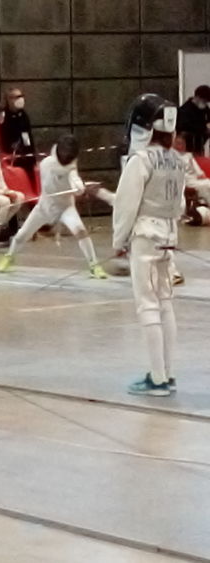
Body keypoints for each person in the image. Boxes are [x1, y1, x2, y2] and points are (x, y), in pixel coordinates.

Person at [112, 96, 184, 396]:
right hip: (168, 237)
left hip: (145, 238)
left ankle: (157, 380)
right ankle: (167, 374)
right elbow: (180, 205)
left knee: (148, 305)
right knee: (165, 303)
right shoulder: (178, 160)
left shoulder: (140, 161)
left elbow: (125, 205)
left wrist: (119, 241)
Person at [0, 135, 107, 279]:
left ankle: (94, 265)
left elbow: (74, 179)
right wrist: (75, 185)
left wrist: (80, 188)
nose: (67, 157)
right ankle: (9, 256)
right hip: (45, 207)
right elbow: (52, 182)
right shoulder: (47, 164)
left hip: (65, 208)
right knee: (22, 235)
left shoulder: (71, 166)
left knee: (81, 231)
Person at [0, 88, 37, 188]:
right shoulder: (4, 116)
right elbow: (3, 137)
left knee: (30, 182)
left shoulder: (23, 115)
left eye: (21, 96)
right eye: (17, 97)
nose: (20, 99)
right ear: (9, 99)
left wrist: (32, 155)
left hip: (26, 156)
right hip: (12, 157)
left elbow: (27, 135)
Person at [176, 85, 210, 156]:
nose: (205, 103)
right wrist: (204, 129)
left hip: (200, 145)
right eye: (204, 101)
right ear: (197, 97)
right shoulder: (185, 110)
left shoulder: (204, 108)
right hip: (187, 147)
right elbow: (184, 126)